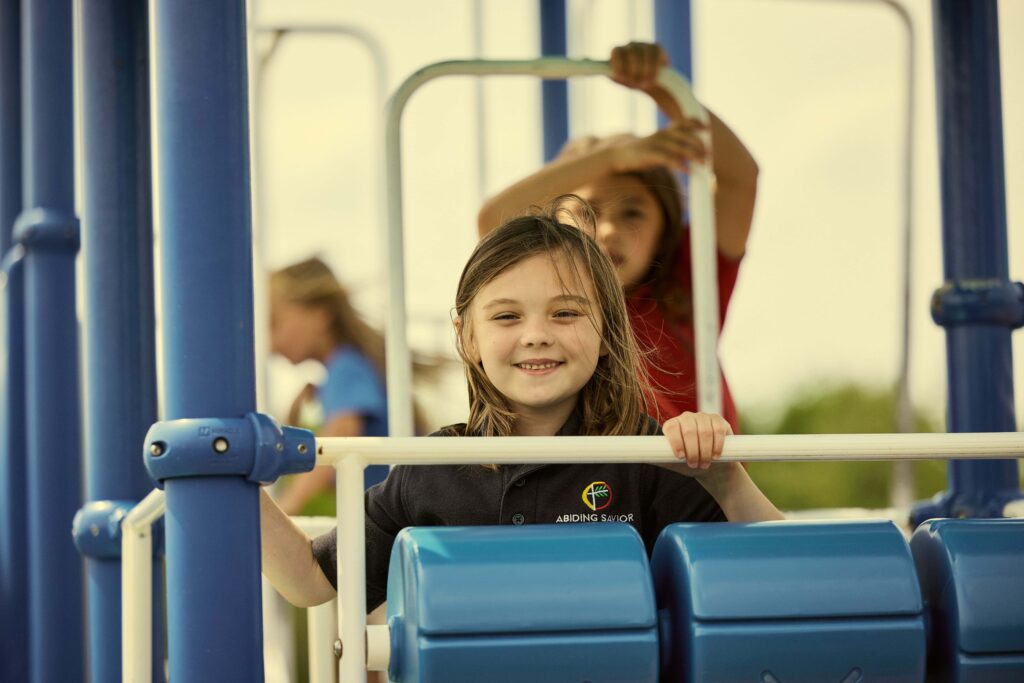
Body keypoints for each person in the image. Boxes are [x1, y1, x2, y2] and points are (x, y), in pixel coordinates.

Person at [260, 207, 782, 611]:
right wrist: (231, 470)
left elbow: (775, 580)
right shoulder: (431, 469)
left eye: (566, 313)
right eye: (507, 316)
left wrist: (727, 481)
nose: (537, 336)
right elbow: (311, 580)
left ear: (606, 333)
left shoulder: (645, 455)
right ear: (467, 338)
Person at [477, 42, 758, 431]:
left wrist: (661, 89)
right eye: (587, 212)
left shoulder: (687, 285)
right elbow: (494, 220)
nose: (609, 230)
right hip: (594, 487)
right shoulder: (543, 302)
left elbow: (740, 178)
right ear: (555, 222)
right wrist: (614, 158)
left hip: (693, 485)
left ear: (664, 228)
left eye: (633, 213)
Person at [269, 257, 401, 514]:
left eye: (274, 324)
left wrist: (282, 510)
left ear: (321, 313)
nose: (270, 344)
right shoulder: (340, 371)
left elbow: (339, 438)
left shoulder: (346, 367)